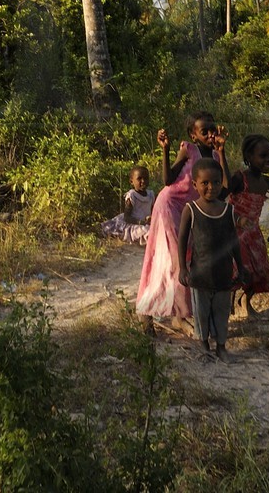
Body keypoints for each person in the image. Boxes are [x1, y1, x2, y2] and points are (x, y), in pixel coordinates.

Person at [135, 112, 229, 330]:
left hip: (190, 212)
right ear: (193, 135)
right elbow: (168, 180)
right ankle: (148, 310)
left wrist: (222, 152)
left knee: (188, 260)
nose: (210, 134)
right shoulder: (189, 150)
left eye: (212, 130)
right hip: (169, 206)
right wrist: (165, 150)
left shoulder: (215, 157)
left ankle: (178, 314)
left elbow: (224, 190)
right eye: (204, 131)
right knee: (173, 261)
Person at [176, 158, 241, 360]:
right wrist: (182, 268)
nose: (211, 187)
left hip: (223, 274)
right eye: (205, 183)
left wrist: (241, 266)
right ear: (195, 184)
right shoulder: (191, 209)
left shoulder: (228, 210)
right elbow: (182, 239)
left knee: (222, 313)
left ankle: (221, 346)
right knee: (201, 314)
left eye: (215, 182)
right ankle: (204, 345)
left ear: (221, 182)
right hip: (200, 275)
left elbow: (234, 242)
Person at [227, 134, 269, 310]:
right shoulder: (240, 179)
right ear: (248, 157)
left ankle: (245, 301)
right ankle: (229, 307)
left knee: (259, 269)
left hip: (254, 234)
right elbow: (220, 201)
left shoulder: (267, 182)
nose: (268, 160)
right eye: (263, 156)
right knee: (237, 271)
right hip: (235, 233)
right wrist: (236, 219)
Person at [100, 166, 156, 244]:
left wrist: (151, 219)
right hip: (134, 223)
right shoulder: (132, 195)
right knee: (146, 231)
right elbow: (127, 217)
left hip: (145, 223)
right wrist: (141, 222)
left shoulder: (150, 194)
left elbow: (153, 211)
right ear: (131, 181)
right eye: (139, 179)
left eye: (146, 178)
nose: (143, 181)